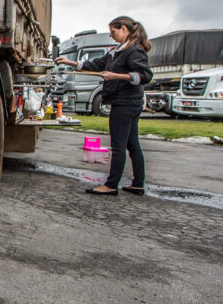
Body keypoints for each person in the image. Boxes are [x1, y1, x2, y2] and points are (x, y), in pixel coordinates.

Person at [55, 15, 153, 196]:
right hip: (127, 102)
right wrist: (71, 63)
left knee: (118, 145)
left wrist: (116, 76)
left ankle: (111, 185)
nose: (111, 35)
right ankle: (138, 183)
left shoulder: (134, 51)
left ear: (125, 29)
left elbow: (145, 76)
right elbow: (96, 64)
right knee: (132, 144)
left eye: (113, 31)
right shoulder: (118, 51)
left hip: (125, 103)